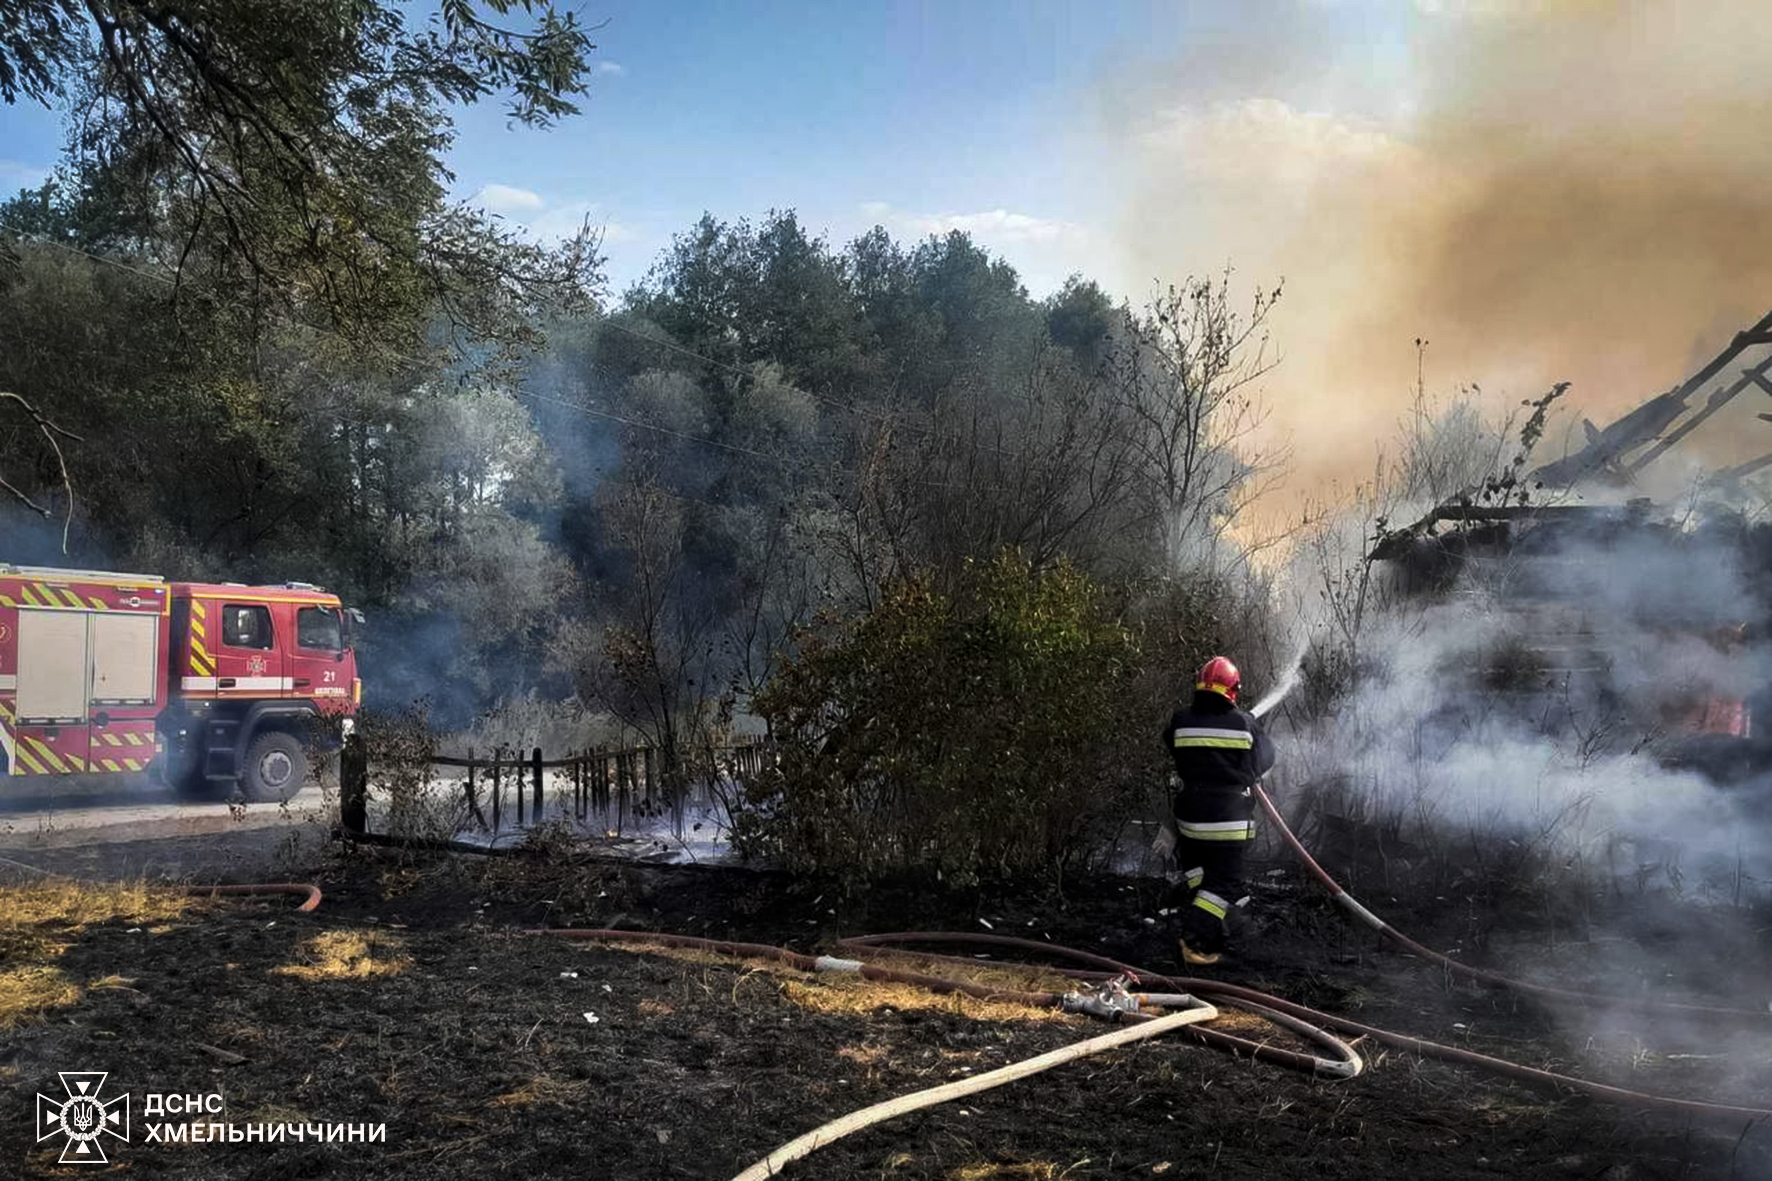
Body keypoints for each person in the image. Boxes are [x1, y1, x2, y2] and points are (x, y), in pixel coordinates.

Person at [1162, 656, 1277, 966]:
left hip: (1189, 817)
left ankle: (1226, 925)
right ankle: (1193, 939)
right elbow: (1264, 761)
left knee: (1200, 873)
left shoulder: (1180, 719)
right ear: (1233, 690)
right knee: (1222, 884)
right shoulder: (1245, 723)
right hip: (1228, 819)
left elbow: (1172, 746)